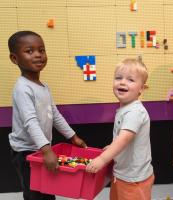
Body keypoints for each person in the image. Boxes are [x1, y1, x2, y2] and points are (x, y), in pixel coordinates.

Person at [8, 30, 87, 200]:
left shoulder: (43, 87)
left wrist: (73, 136)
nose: (38, 55)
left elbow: (55, 115)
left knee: (48, 189)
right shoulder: (22, 88)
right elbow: (30, 122)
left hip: (41, 149)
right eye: (29, 51)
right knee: (35, 194)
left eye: (41, 50)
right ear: (15, 59)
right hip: (26, 152)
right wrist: (46, 151)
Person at [86, 58, 154, 200]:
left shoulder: (135, 112)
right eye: (118, 78)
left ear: (141, 88)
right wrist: (112, 146)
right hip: (122, 173)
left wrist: (102, 159)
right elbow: (124, 138)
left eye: (130, 80)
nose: (122, 82)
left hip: (134, 179)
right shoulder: (125, 109)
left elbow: (124, 139)